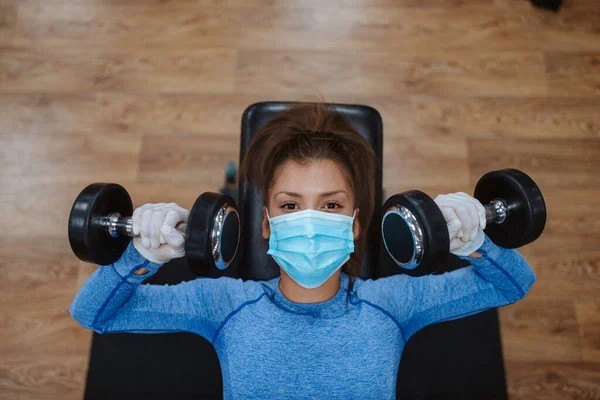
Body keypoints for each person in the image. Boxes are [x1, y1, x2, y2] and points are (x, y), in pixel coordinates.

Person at [70, 103, 536, 399]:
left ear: (355, 226)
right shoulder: (224, 305)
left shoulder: (392, 304)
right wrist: (143, 255)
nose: (311, 221)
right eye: (291, 205)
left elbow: (515, 284)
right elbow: (96, 313)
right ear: (267, 226)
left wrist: (475, 241)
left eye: (330, 204)